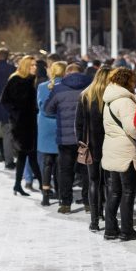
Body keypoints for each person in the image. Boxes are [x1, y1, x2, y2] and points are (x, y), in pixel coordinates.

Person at [101, 68, 136, 241]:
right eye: (133, 80)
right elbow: (132, 128)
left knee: (115, 191)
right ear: (127, 81)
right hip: (126, 152)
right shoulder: (125, 102)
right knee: (128, 192)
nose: (135, 84)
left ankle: (110, 229)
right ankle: (127, 230)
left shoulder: (109, 100)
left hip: (112, 149)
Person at [44, 63, 92, 214]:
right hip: (85, 137)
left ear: (67, 73)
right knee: (86, 171)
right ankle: (88, 202)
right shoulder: (90, 87)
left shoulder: (58, 88)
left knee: (65, 171)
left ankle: (65, 203)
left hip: (65, 138)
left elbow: (47, 109)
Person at [0, 55, 44, 197]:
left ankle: (19, 185)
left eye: (35, 65)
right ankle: (44, 187)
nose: (35, 67)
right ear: (25, 66)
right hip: (21, 125)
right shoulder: (16, 79)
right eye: (32, 65)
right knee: (27, 155)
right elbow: (4, 100)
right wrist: (16, 114)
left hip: (29, 123)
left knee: (28, 156)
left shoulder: (30, 80)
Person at [76, 66, 112, 228]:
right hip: (110, 143)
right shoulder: (111, 96)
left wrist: (81, 141)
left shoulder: (85, 95)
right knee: (109, 182)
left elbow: (79, 123)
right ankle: (108, 217)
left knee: (93, 181)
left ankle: (94, 220)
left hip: (91, 144)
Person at [37, 61, 65, 206]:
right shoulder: (66, 87)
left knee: (47, 162)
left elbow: (40, 106)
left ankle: (46, 195)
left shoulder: (42, 87)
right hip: (61, 125)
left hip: (45, 127)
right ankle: (61, 195)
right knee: (61, 163)